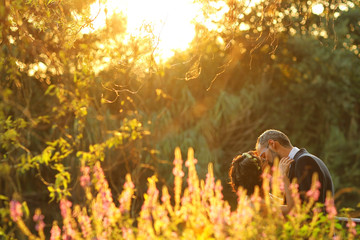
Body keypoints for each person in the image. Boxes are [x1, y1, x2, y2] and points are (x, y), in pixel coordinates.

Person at [255, 129, 334, 205]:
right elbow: (298, 201)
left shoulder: (304, 161)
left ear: (272, 144)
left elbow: (306, 208)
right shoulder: (299, 161)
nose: (265, 161)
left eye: (263, 156)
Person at [229, 151, 295, 215]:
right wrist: (284, 176)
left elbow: (283, 201)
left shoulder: (261, 194)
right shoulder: (255, 204)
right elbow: (290, 208)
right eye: (262, 162)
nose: (266, 160)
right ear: (259, 176)